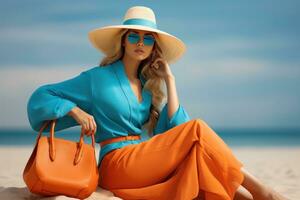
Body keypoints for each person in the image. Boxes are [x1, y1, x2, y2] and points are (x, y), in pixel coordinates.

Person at [27, 5, 289, 200]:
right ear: (123, 39)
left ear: (154, 47)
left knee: (209, 169)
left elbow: (175, 127)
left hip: (142, 159)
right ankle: (264, 191)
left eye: (148, 38)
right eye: (134, 36)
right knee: (197, 129)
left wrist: (170, 79)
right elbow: (41, 96)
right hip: (116, 163)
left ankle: (249, 196)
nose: (140, 42)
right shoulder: (97, 78)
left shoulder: (148, 88)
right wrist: (74, 110)